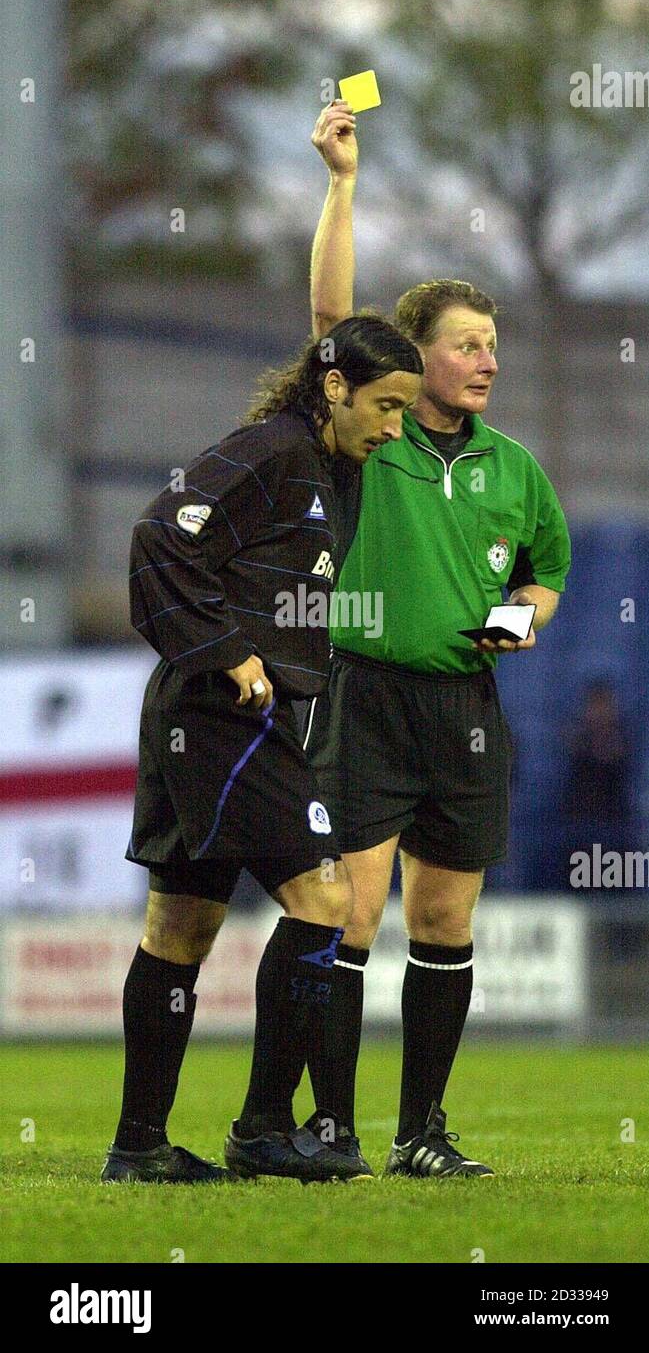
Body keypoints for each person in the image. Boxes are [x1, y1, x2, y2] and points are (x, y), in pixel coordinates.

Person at [303, 100, 572, 1177]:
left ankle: (422, 1133)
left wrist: (519, 618)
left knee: (446, 917)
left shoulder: (513, 467)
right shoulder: (374, 433)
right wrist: (340, 182)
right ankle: (328, 1127)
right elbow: (328, 317)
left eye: (492, 346)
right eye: (467, 344)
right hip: (363, 691)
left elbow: (545, 569)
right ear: (414, 357)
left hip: (463, 705)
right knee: (350, 911)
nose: (486, 360)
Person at [101, 315, 422, 1184]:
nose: (393, 427)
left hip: (202, 711)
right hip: (220, 712)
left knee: (179, 927)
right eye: (385, 406)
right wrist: (228, 652)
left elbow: (274, 594)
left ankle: (138, 1148)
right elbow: (160, 535)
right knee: (326, 900)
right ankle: (266, 1129)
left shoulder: (324, 466)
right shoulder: (274, 449)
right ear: (332, 386)